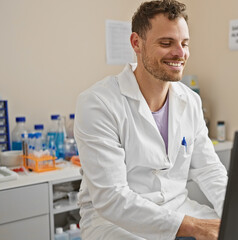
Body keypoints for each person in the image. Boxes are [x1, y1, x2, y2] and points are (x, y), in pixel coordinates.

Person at [74, 0, 228, 239]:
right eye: (166, 43)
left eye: (184, 44)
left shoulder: (190, 101)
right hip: (113, 223)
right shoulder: (98, 103)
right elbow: (112, 198)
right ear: (137, 43)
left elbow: (209, 170)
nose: (180, 53)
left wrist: (235, 215)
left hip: (178, 208)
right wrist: (195, 227)